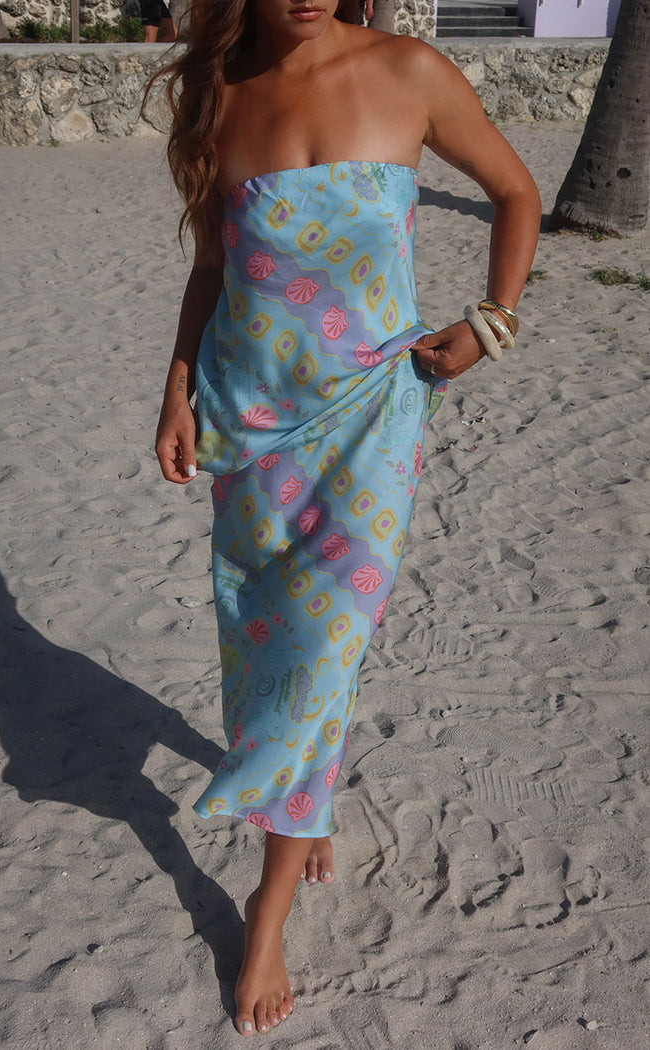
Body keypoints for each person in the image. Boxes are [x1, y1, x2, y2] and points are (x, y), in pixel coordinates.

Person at [153, 0, 541, 1037]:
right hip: (251, 425)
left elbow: (513, 192)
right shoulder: (220, 89)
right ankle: (305, 799)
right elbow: (210, 265)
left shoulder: (410, 73)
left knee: (321, 649)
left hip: (372, 422)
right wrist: (177, 389)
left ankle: (266, 910)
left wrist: (491, 322)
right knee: (264, 640)